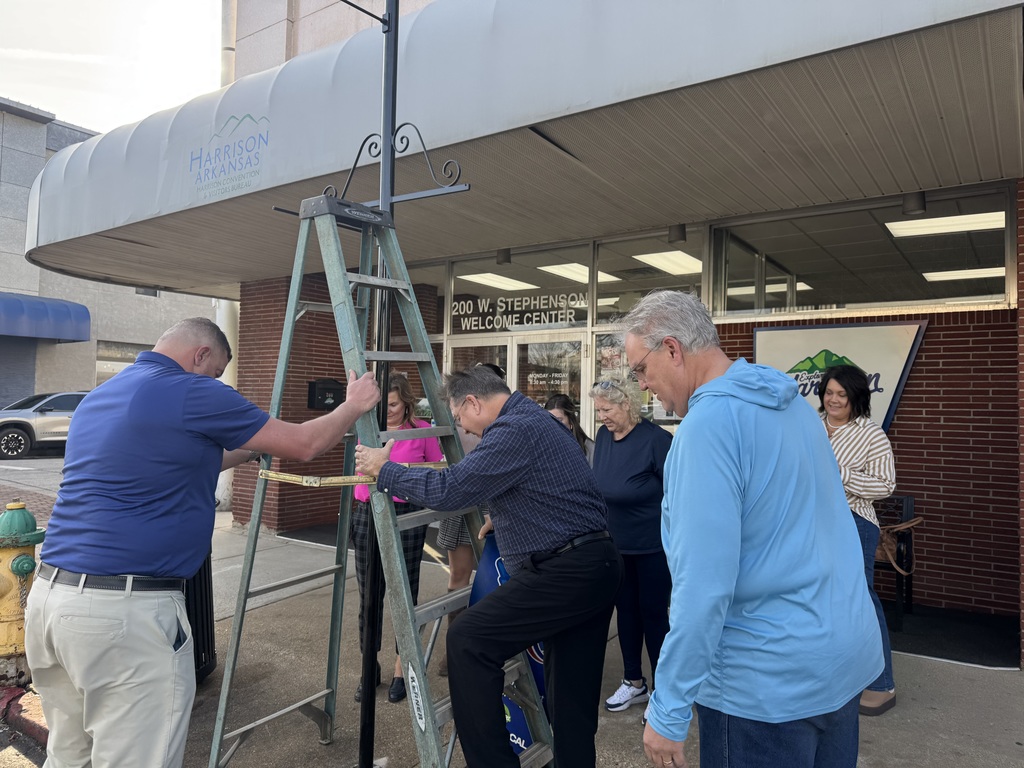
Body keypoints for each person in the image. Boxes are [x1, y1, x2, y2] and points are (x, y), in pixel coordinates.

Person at [25, 317, 380, 768]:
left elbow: (179, 458)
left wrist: (251, 447)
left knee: (69, 755)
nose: (216, 382)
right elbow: (306, 444)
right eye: (216, 373)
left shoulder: (103, 397)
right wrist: (353, 405)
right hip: (123, 619)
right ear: (201, 356)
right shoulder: (192, 391)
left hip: (49, 605)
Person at [621, 292, 883, 768]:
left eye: (641, 369)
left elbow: (703, 587)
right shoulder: (793, 405)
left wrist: (670, 706)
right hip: (839, 662)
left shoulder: (707, 430)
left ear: (673, 349)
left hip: (763, 686)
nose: (643, 387)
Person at [355, 365, 622, 768]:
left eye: (461, 419)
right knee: (571, 709)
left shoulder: (511, 429)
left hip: (567, 571)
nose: (465, 429)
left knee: (467, 640)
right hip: (594, 565)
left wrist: (385, 470)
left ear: (474, 403)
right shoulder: (536, 420)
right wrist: (515, 512)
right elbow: (562, 486)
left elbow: (451, 489)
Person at [352, 373, 443, 703]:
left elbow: (438, 467)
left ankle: (401, 668)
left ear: (406, 401)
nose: (387, 410)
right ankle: (368, 667)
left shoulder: (421, 430)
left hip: (406, 514)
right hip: (367, 511)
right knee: (368, 594)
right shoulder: (368, 427)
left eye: (392, 404)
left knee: (405, 592)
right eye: (382, 404)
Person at [587, 376, 672, 715]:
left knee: (654, 616)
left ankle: (663, 693)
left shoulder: (657, 440)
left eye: (606, 409)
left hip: (652, 545)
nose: (602, 416)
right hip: (617, 545)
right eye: (598, 410)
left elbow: (678, 495)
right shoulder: (604, 437)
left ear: (627, 405)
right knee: (626, 614)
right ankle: (633, 682)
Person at [818, 365, 897, 716]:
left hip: (854, 522)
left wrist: (840, 472)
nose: (833, 399)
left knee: (860, 599)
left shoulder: (870, 434)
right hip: (810, 523)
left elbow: (885, 485)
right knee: (818, 599)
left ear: (856, 397)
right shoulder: (810, 427)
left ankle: (881, 684)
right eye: (829, 392)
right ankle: (834, 674)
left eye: (841, 394)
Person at [434, 360, 503, 676]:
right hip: (461, 497)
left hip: (491, 499)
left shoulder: (501, 420)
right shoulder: (458, 414)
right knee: (458, 576)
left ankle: (489, 646)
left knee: (496, 576)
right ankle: (454, 652)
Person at [544, 393, 595, 463]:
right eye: (550, 420)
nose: (554, 424)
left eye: (559, 420)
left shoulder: (590, 449)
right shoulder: (542, 448)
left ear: (570, 421)